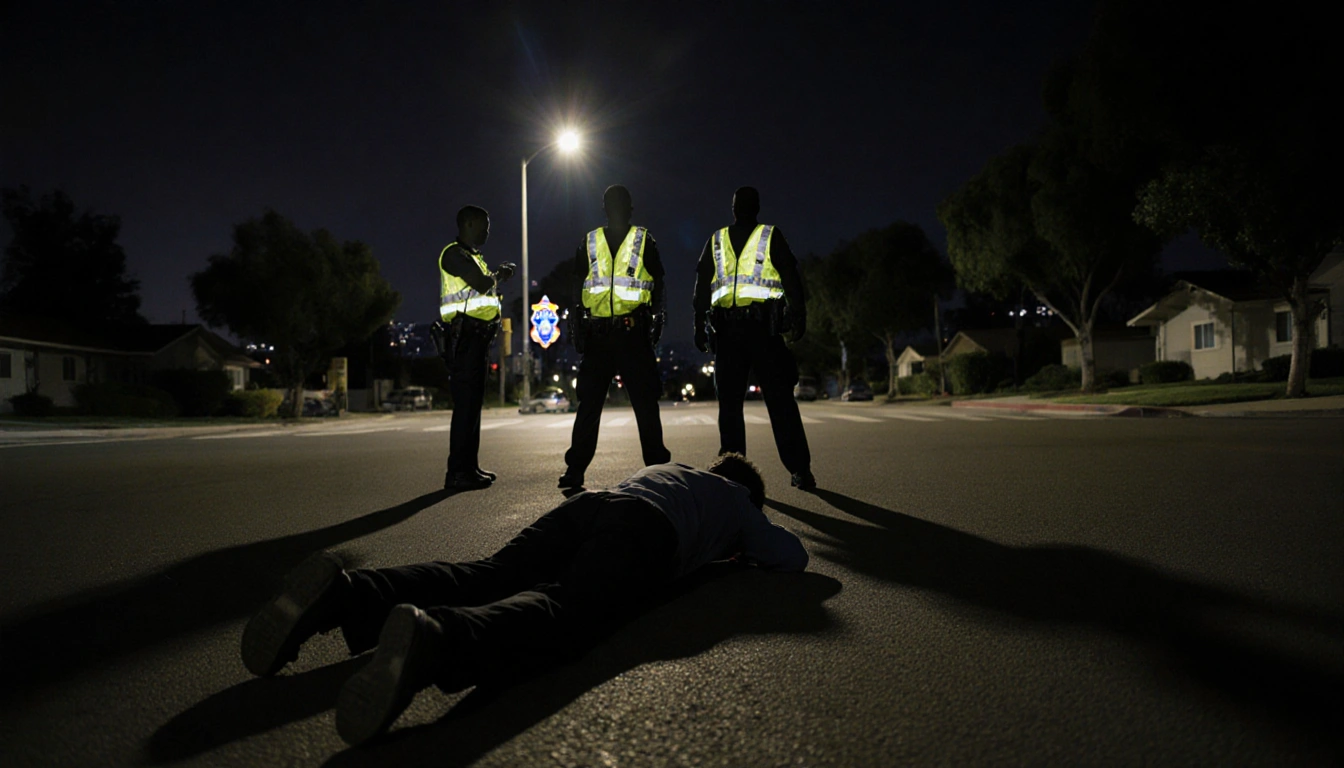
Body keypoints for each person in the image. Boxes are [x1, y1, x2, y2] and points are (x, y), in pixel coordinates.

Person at [239, 453, 807, 746]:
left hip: (595, 504)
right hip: (646, 534)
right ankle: (440, 639)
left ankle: (346, 593)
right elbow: (792, 557)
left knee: (488, 573)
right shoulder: (737, 501)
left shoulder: (672, 468)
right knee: (566, 611)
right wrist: (739, 542)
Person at [693, 187, 816, 490]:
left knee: (743, 407)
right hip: (746, 333)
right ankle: (796, 471)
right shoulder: (723, 240)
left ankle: (745, 474)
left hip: (755, 331)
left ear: (733, 207)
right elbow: (791, 278)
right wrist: (799, 315)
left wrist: (698, 323)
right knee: (768, 404)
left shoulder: (753, 237)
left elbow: (701, 286)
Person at [559, 185, 671, 490]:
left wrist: (659, 317)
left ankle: (658, 468)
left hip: (633, 334)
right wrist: (576, 325)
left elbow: (659, 282)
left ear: (630, 208)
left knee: (645, 403)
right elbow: (577, 285)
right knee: (589, 405)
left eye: (621, 203)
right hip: (597, 336)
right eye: (612, 203)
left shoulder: (644, 240)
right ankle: (575, 469)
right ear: (605, 208)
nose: (617, 208)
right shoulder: (590, 241)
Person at [437, 205, 514, 490]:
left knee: (473, 407)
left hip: (478, 339)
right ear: (468, 224)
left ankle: (470, 467)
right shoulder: (453, 254)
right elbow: (482, 284)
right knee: (465, 407)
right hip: (464, 339)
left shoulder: (473, 256)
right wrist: (501, 275)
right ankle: (457, 472)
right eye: (484, 225)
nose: (487, 231)